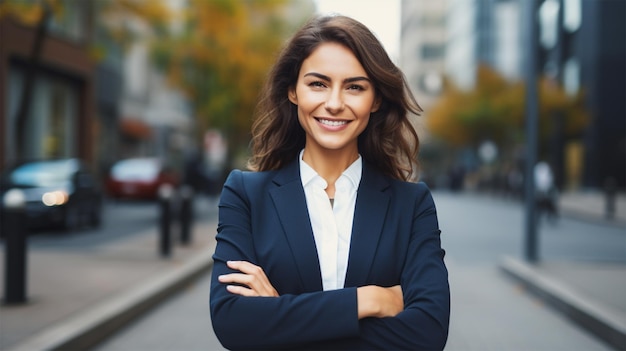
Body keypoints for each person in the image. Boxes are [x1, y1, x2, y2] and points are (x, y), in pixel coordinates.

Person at [210, 14, 450, 350]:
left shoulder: (412, 204)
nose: (335, 104)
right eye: (318, 84)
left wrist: (278, 316)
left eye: (354, 87)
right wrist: (368, 301)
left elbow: (427, 334)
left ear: (376, 99)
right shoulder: (246, 195)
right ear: (293, 91)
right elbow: (233, 322)